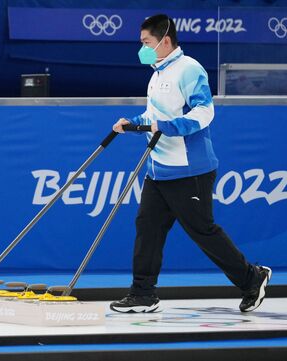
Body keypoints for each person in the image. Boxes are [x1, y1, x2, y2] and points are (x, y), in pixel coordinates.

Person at [110, 14, 271, 313]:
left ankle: (252, 278)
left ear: (165, 41)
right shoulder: (156, 74)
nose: (142, 48)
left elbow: (203, 113)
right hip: (158, 170)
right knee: (147, 227)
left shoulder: (189, 69)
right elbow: (153, 116)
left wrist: (167, 127)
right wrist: (132, 123)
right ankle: (143, 293)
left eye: (146, 42)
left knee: (202, 231)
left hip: (189, 170)